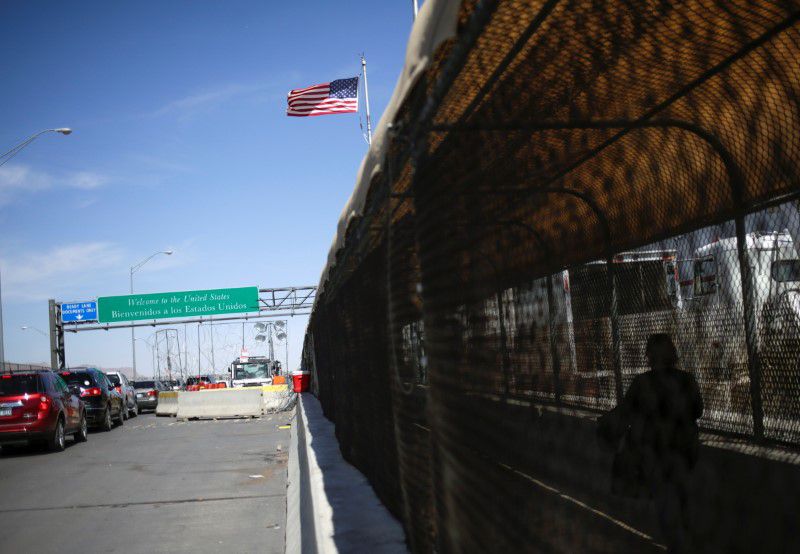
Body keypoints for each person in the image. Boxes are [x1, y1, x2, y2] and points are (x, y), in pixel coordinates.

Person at [598, 333, 703, 552]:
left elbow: (626, 411)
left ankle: (673, 542)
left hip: (655, 451)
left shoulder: (642, 383)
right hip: (684, 449)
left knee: (662, 498)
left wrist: (606, 424)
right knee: (681, 494)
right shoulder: (686, 379)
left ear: (650, 355)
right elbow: (698, 410)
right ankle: (686, 538)